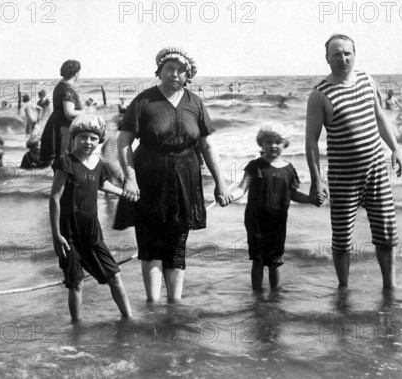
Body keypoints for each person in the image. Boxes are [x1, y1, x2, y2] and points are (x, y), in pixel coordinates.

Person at [115, 47, 232, 303]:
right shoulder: (144, 100)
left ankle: (175, 303)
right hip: (148, 179)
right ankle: (153, 303)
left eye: (181, 71)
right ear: (159, 71)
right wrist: (129, 176)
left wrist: (221, 183)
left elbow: (207, 145)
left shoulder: (195, 102)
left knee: (177, 243)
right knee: (150, 242)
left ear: (188, 76)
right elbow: (123, 141)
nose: (174, 74)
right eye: (169, 68)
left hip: (186, 180)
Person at [305, 34, 402, 289]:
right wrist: (317, 180)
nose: (343, 58)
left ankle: (389, 286)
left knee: (387, 233)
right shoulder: (319, 94)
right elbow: (311, 141)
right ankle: (344, 288)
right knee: (342, 238)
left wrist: (395, 149)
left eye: (347, 53)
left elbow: (380, 117)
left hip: (376, 170)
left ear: (354, 55)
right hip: (342, 176)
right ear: (327, 58)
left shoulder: (367, 80)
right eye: (336, 54)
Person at [49, 114, 132, 322]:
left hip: (92, 230)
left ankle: (129, 318)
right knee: (76, 282)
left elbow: (103, 184)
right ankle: (76, 326)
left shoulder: (98, 163)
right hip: (68, 231)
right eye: (83, 137)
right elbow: (54, 199)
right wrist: (56, 235)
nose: (88, 142)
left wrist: (126, 192)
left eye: (93, 138)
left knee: (114, 276)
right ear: (74, 137)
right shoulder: (66, 162)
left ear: (100, 140)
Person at [229, 124, 324, 291]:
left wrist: (311, 199)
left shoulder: (289, 169)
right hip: (256, 221)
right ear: (261, 144)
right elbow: (241, 189)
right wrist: (230, 196)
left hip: (278, 222)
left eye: (277, 141)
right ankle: (256, 295)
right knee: (257, 259)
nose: (273, 145)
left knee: (275, 260)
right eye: (268, 141)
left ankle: (275, 296)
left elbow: (294, 194)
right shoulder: (255, 165)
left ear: (285, 143)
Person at [40, 60, 84, 165]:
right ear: (76, 73)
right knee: (65, 164)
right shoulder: (68, 90)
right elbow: (69, 113)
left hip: (55, 125)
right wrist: (85, 113)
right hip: (63, 129)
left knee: (59, 165)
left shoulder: (59, 86)